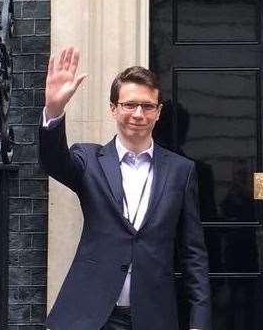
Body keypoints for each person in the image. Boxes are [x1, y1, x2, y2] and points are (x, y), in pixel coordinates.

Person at [39, 46, 211, 330]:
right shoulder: (89, 160)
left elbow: (194, 254)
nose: (138, 113)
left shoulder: (182, 170)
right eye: (129, 105)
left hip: (153, 315)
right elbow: (53, 162)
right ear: (114, 108)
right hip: (92, 316)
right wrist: (54, 110)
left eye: (147, 106)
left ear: (158, 112)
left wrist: (199, 322)